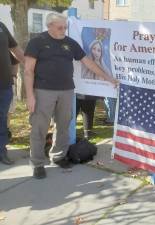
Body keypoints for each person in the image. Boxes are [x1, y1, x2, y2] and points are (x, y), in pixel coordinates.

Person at [24, 13, 118, 179]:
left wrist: (108, 78)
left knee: (63, 125)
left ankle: (58, 155)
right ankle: (37, 162)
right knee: (40, 127)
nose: (64, 30)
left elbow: (88, 62)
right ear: (49, 26)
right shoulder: (37, 42)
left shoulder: (69, 43)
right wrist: (30, 96)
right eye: (60, 27)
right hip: (43, 91)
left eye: (65, 27)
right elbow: (28, 71)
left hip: (67, 91)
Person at [0, 21, 24, 165]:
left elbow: (14, 48)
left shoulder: (1, 26)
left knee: (2, 120)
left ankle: (1, 152)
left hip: (4, 85)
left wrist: (29, 65)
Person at [7, 53, 20, 139]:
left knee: (8, 110)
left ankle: (6, 130)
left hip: (7, 83)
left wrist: (13, 76)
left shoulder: (4, 47)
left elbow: (16, 61)